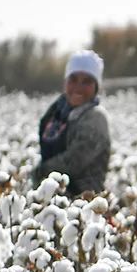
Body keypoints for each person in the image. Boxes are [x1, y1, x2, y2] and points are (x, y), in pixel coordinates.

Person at [32, 50, 111, 196]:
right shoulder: (55, 113)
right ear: (65, 82)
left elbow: (74, 161)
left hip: (84, 203)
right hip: (50, 195)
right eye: (73, 79)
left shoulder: (96, 117)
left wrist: (40, 171)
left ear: (96, 87)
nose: (78, 87)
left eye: (87, 81)